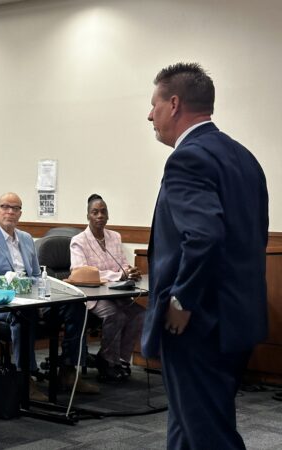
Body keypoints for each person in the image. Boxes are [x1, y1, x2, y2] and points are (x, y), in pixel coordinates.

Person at [142, 62, 268, 449]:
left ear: (174, 104)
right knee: (188, 425)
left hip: (198, 324)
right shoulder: (244, 158)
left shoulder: (188, 158)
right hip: (237, 318)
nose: (150, 115)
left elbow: (204, 235)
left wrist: (182, 299)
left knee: (210, 436)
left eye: (154, 105)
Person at [0, 192, 98, 400]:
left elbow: (36, 276)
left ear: (20, 213)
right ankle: (25, 377)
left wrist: (43, 292)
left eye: (15, 208)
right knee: (24, 314)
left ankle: (68, 370)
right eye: (5, 207)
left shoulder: (26, 239)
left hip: (33, 300)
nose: (10, 211)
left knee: (76, 306)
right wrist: (17, 285)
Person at [70, 194, 144, 382]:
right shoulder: (79, 241)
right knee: (115, 316)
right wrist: (118, 276)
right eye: (95, 212)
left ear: (108, 215)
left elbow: (122, 264)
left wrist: (129, 271)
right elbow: (81, 272)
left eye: (103, 212)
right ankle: (107, 361)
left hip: (116, 293)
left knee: (139, 314)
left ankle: (121, 360)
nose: (100, 216)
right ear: (88, 216)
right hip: (93, 296)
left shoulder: (114, 237)